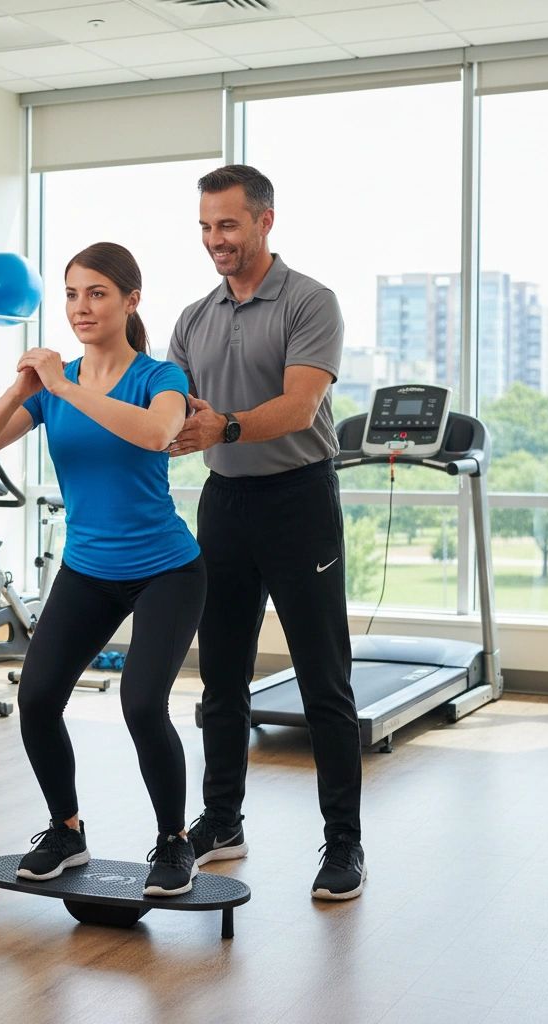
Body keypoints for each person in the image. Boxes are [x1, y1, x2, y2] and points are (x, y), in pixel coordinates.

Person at [0, 242, 207, 897]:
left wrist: (66, 385)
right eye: (71, 294)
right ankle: (65, 830)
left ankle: (175, 844)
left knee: (143, 702)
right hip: (88, 567)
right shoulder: (52, 387)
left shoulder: (161, 378)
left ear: (131, 300)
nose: (81, 307)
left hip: (167, 569)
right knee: (37, 698)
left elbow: (157, 434)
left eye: (97, 293)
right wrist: (26, 385)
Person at [167, 165, 365, 900]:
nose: (216, 240)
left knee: (324, 680)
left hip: (299, 500)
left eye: (228, 225)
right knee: (220, 676)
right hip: (224, 503)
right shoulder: (194, 316)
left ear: (264, 221)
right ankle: (222, 820)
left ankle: (343, 842)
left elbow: (300, 403)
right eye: (206, 227)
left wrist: (227, 424)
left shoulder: (311, 302)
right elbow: (174, 408)